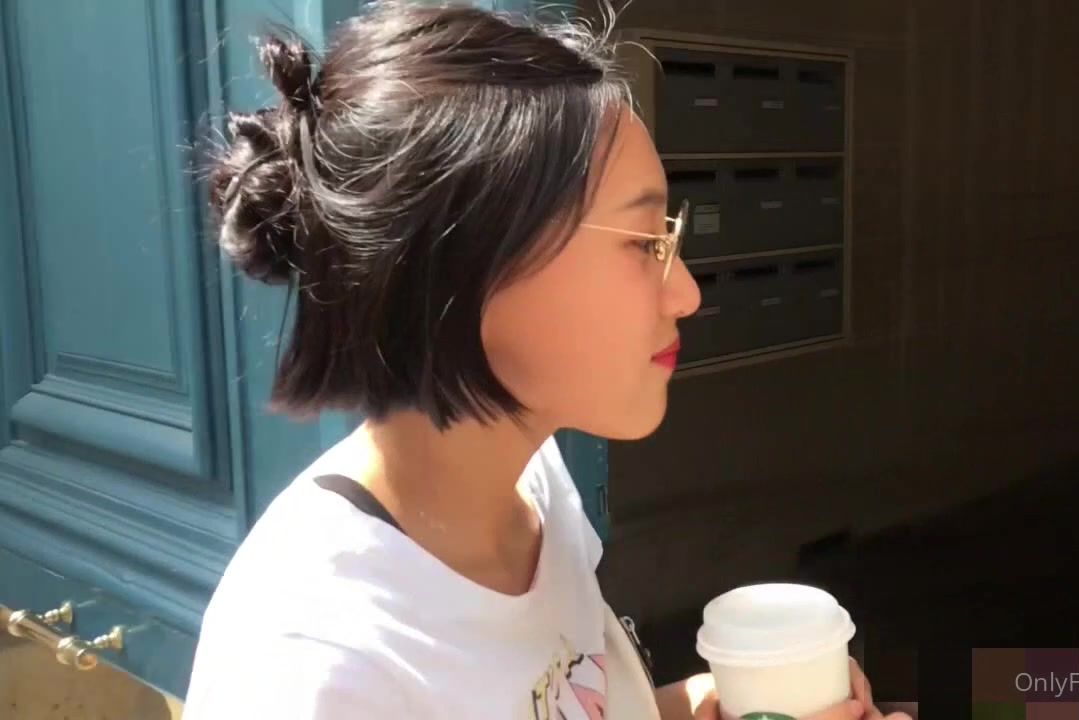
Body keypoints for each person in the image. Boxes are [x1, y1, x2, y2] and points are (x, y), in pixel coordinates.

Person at [182, 2, 910, 719]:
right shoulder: (313, 674)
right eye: (643, 242)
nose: (686, 293)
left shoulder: (532, 489)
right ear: (461, 269)